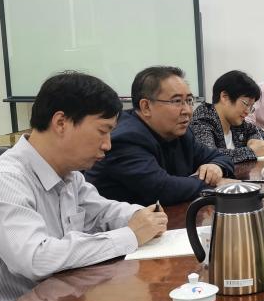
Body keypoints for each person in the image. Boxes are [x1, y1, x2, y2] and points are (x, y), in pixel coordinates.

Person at [0, 72, 168, 301]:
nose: (107, 145)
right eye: (102, 131)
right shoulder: (1, 182)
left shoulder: (68, 175)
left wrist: (139, 216)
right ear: (61, 122)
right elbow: (37, 259)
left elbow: (103, 212)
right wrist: (130, 235)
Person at [85, 66, 236, 205]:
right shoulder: (125, 139)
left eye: (189, 100)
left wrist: (216, 167)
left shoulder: (180, 133)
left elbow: (220, 157)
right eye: (177, 101)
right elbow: (162, 189)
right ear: (146, 107)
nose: (187, 111)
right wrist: (215, 183)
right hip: (117, 224)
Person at [191, 70, 264, 163]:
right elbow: (209, 155)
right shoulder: (203, 120)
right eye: (246, 104)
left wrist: (253, 140)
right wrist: (251, 151)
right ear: (224, 97)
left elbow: (261, 133)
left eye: (251, 107)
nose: (247, 112)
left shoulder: (235, 122)